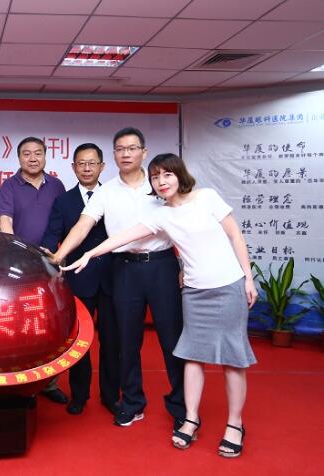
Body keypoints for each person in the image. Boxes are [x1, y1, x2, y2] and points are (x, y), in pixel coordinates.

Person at [62, 153, 257, 457]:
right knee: (192, 356)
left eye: (167, 174)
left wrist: (247, 278)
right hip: (193, 291)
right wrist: (88, 254)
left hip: (227, 285)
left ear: (179, 174)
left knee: (232, 359)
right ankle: (190, 418)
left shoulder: (207, 197)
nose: (161, 181)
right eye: (155, 177)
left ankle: (235, 423)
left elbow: (235, 235)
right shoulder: (160, 214)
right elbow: (121, 238)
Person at [49, 127, 186, 427]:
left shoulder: (160, 184)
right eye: (120, 149)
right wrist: (58, 256)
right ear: (114, 155)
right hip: (124, 268)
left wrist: (185, 267)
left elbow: (184, 224)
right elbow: (83, 225)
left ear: (143, 152)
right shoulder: (106, 191)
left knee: (171, 338)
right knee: (127, 340)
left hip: (162, 266)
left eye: (132, 148)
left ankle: (181, 406)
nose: (126, 154)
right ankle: (133, 402)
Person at [40, 143, 119, 415]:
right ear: (73, 167)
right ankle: (79, 395)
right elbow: (53, 233)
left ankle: (111, 396)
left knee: (112, 340)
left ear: (102, 166)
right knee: (79, 340)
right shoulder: (63, 201)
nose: (86, 168)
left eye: (92, 163)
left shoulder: (113, 196)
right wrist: (46, 253)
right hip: (78, 277)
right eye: (81, 164)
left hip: (112, 277)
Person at [0, 136, 67, 404]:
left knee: (49, 323)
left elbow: (63, 224)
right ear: (19, 158)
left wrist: (59, 256)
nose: (33, 158)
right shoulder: (9, 185)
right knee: (20, 324)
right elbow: (5, 221)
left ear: (45, 156)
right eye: (26, 154)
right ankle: (21, 382)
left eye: (38, 153)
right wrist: (17, 254)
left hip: (49, 263)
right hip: (19, 265)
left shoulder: (57, 185)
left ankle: (49, 383)